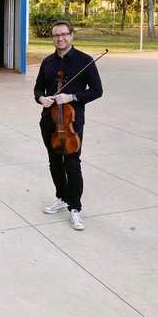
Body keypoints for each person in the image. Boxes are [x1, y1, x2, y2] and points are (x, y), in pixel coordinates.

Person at [33, 20, 103, 230]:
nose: (60, 38)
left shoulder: (85, 61)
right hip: (49, 121)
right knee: (54, 161)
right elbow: (37, 89)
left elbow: (97, 90)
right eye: (56, 35)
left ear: (72, 35)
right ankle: (62, 197)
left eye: (64, 34)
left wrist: (72, 96)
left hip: (71, 122)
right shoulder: (47, 62)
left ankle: (75, 207)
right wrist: (41, 99)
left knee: (72, 164)